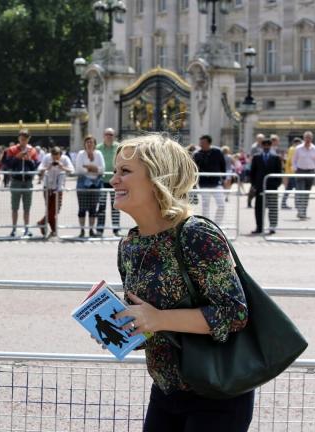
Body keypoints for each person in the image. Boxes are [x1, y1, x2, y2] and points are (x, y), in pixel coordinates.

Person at [108, 134, 251, 431]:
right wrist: (118, 329)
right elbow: (147, 323)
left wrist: (159, 318)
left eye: (125, 171)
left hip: (217, 390)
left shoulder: (196, 234)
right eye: (115, 171)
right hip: (166, 388)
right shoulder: (129, 246)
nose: (113, 180)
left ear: (157, 178)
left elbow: (234, 313)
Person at [4, 129, 39, 237]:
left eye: (26, 139)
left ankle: (27, 228)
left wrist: (29, 160)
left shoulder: (32, 150)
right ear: (18, 138)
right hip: (16, 181)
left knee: (27, 207)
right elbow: (8, 164)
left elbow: (35, 166)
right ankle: (14, 229)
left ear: (29, 139)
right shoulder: (12, 149)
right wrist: (17, 157)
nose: (23, 141)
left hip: (28, 181)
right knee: (15, 207)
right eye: (22, 138)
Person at [36, 146, 73, 238]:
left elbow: (72, 170)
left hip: (59, 188)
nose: (55, 159)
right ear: (51, 155)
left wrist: (62, 167)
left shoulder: (65, 158)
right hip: (47, 187)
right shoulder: (46, 157)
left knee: (56, 209)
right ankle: (54, 231)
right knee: (50, 210)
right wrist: (47, 167)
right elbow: (39, 169)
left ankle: (42, 222)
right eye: (53, 157)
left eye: (57, 157)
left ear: (61, 155)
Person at [249, 138, 282, 235]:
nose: (266, 147)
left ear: (270, 146)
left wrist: (277, 184)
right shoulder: (257, 157)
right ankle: (259, 227)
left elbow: (279, 172)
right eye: (264, 145)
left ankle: (272, 227)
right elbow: (252, 172)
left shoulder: (276, 157)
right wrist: (254, 185)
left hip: (272, 186)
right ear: (262, 146)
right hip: (260, 186)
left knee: (273, 207)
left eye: (268, 145)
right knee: (259, 208)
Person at [74, 135, 105, 238]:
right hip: (82, 184)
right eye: (87, 142)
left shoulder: (99, 154)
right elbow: (78, 169)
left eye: (91, 142)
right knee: (82, 208)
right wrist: (94, 169)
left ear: (95, 144)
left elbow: (102, 169)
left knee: (93, 208)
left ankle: (91, 230)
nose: (89, 144)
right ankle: (82, 230)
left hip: (96, 184)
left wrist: (88, 167)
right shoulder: (81, 154)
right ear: (84, 144)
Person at [192, 135, 226, 225]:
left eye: (203, 142)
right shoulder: (197, 154)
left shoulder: (217, 152)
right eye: (200, 142)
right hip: (204, 184)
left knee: (221, 205)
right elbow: (194, 168)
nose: (201, 144)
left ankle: (217, 225)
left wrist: (224, 178)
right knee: (205, 206)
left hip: (216, 183)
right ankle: (207, 226)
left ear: (209, 143)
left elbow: (223, 165)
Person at [96, 128, 121, 236]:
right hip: (102, 180)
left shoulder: (119, 147)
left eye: (111, 134)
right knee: (101, 206)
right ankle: (99, 229)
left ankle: (116, 229)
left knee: (116, 205)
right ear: (103, 135)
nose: (109, 136)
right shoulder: (98, 148)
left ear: (114, 136)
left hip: (115, 181)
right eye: (107, 134)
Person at [291, 131, 315, 219]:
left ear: (312, 139)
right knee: (301, 192)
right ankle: (300, 211)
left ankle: (303, 212)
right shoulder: (298, 148)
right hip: (300, 171)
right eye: (306, 137)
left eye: (309, 138)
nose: (308, 139)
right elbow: (294, 160)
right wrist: (295, 168)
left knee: (306, 193)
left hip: (310, 172)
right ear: (304, 138)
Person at [281, 137, 300, 210]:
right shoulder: (294, 149)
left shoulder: (291, 149)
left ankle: (283, 203)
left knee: (288, 188)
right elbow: (291, 161)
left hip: (290, 172)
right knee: (297, 188)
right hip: (293, 172)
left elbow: (288, 161)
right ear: (297, 143)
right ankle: (297, 204)